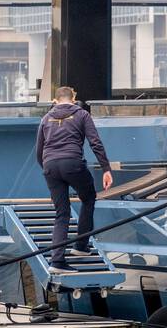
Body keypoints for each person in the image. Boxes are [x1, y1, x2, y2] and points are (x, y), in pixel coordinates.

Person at [34, 86, 113, 271]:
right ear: (74, 98)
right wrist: (106, 169)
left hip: (50, 166)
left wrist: (47, 168)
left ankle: (57, 262)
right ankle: (80, 246)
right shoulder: (82, 115)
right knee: (89, 198)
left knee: (62, 213)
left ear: (55, 100)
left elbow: (39, 150)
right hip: (73, 164)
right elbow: (95, 142)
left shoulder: (46, 118)